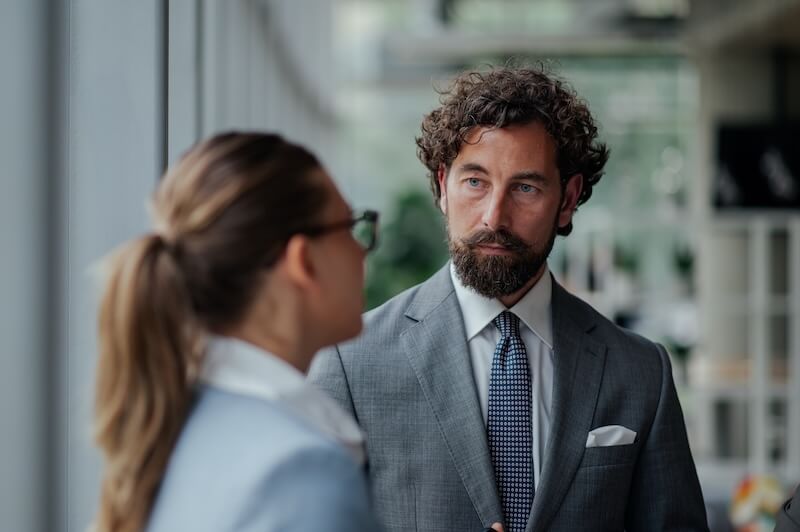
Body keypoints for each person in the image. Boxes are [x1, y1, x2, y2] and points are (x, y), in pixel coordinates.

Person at [309, 66, 709, 532]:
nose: (494, 216)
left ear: (567, 199)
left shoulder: (640, 373)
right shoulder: (351, 364)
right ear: (442, 185)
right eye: (475, 182)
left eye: (525, 188)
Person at [92, 132, 382, 532]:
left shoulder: (179, 422)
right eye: (349, 226)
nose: (360, 248)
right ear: (303, 260)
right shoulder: (301, 474)